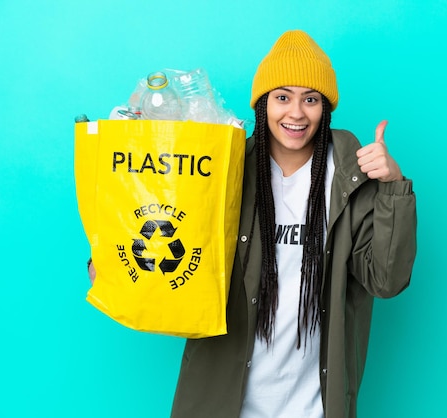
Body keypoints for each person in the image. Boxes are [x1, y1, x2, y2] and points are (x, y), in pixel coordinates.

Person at [89, 29, 417, 418]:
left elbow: (386, 280)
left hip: (314, 407)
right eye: (282, 97)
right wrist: (118, 270)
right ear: (263, 105)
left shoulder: (350, 180)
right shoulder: (221, 172)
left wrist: (393, 187)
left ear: (324, 109)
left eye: (310, 99)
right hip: (222, 403)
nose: (295, 113)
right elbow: (176, 250)